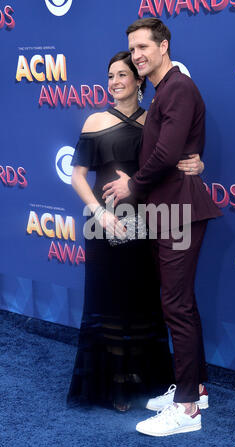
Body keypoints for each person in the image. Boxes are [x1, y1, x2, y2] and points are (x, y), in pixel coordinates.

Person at [102, 19, 222, 434]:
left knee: (177, 305)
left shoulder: (177, 88)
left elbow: (170, 152)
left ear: (164, 46)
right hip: (166, 210)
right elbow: (174, 149)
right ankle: (197, 388)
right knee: (180, 303)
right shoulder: (163, 91)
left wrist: (132, 184)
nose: (136, 56)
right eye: (131, 49)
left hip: (180, 211)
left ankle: (188, 409)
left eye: (142, 47)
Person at [67, 51, 204, 412]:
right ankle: (113, 384)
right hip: (102, 224)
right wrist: (99, 213)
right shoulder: (94, 121)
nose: (114, 82)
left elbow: (170, 161)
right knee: (108, 300)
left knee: (141, 302)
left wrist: (196, 162)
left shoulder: (153, 123)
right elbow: (77, 176)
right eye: (110, 76)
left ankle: (145, 380)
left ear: (139, 79)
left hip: (148, 222)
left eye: (122, 75)